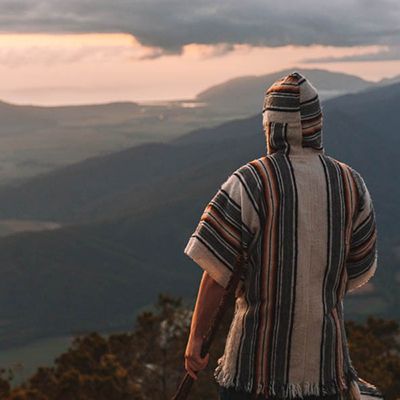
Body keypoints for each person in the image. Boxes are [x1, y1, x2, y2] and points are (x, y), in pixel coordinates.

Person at [183, 71, 380, 399]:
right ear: (317, 123)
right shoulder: (351, 184)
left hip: (254, 370)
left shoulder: (251, 181)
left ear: (271, 125)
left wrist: (196, 338)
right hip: (324, 370)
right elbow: (358, 268)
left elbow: (217, 272)